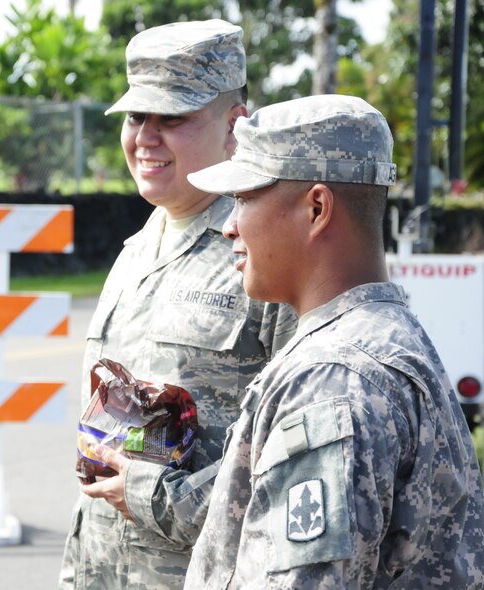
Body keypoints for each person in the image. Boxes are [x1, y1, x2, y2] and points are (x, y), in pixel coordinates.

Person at [183, 94, 484, 587]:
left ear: (317, 208)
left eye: (243, 199)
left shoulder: (333, 378)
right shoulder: (381, 337)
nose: (228, 226)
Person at [59, 20, 297, 589]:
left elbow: (293, 453)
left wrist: (160, 499)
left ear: (235, 125)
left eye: (173, 118)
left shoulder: (265, 250)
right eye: (137, 117)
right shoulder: (136, 250)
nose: (145, 137)